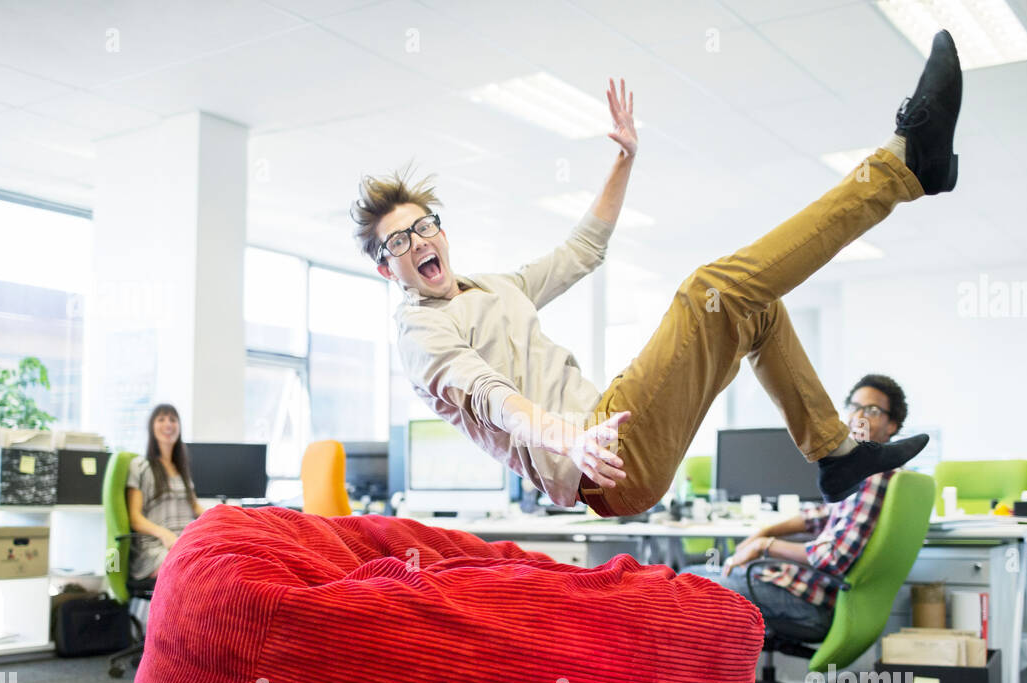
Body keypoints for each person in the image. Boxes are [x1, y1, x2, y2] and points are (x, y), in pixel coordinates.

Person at [354, 32, 962, 515]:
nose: (419, 242)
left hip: (612, 433)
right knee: (710, 289)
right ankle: (903, 165)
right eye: (399, 242)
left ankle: (836, 453)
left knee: (754, 310)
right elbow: (491, 398)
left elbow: (581, 250)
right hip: (598, 459)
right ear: (388, 269)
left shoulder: (492, 289)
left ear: (441, 229)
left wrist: (623, 160)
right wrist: (567, 439)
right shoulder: (419, 333)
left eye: (425, 225)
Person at [684, 374, 914, 639]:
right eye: (854, 406)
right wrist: (766, 531)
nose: (858, 416)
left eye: (872, 410)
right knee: (695, 576)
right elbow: (827, 513)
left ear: (892, 425)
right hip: (803, 589)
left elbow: (834, 556)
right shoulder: (869, 472)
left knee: (687, 582)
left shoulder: (874, 475)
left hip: (809, 601)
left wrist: (764, 546)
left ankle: (702, 678)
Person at [125, 403, 205, 582]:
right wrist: (164, 534)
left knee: (217, 565)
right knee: (195, 574)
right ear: (151, 427)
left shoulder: (181, 470)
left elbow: (196, 507)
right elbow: (134, 517)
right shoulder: (140, 466)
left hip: (184, 545)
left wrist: (224, 517)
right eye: (161, 419)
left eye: (173, 419)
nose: (168, 424)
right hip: (156, 549)